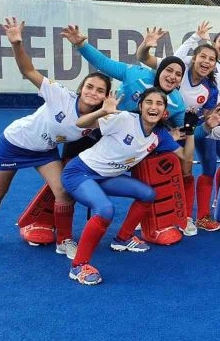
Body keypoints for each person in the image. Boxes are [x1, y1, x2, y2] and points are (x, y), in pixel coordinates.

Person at [0, 18, 111, 258]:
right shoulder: (59, 95)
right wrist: (16, 43)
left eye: (100, 90)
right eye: (89, 87)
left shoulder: (101, 119)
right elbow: (28, 71)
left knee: (63, 191)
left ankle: (64, 241)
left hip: (44, 151)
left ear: (106, 96)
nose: (93, 93)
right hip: (14, 143)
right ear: (81, 88)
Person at [62, 88, 195, 285]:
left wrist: (190, 132)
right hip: (79, 172)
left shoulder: (159, 135)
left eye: (159, 104)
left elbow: (186, 157)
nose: (154, 107)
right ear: (140, 106)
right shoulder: (124, 119)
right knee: (105, 209)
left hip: (106, 176)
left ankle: (122, 238)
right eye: (149, 102)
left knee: (148, 194)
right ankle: (78, 266)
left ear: (164, 111)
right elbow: (80, 123)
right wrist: (103, 112)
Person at [137, 28, 220, 233]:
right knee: (151, 171)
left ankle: (187, 216)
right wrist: (195, 37)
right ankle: (147, 214)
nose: (206, 62)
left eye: (211, 59)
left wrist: (209, 120)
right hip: (160, 128)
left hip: (186, 130)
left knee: (186, 170)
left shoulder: (211, 89)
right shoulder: (176, 72)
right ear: (194, 58)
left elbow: (207, 117)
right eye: (202, 56)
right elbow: (145, 58)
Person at [171, 22, 220, 232]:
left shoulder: (219, 80)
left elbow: (211, 113)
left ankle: (210, 209)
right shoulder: (183, 70)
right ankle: (179, 215)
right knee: (178, 170)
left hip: (209, 123)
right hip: (179, 128)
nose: (206, 61)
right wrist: (195, 37)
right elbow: (174, 59)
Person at [61, 25, 186, 125]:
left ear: (180, 80)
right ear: (159, 71)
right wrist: (81, 45)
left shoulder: (177, 103)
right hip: (107, 124)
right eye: (169, 70)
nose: (172, 76)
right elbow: (103, 62)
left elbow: (182, 129)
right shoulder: (135, 74)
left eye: (178, 74)